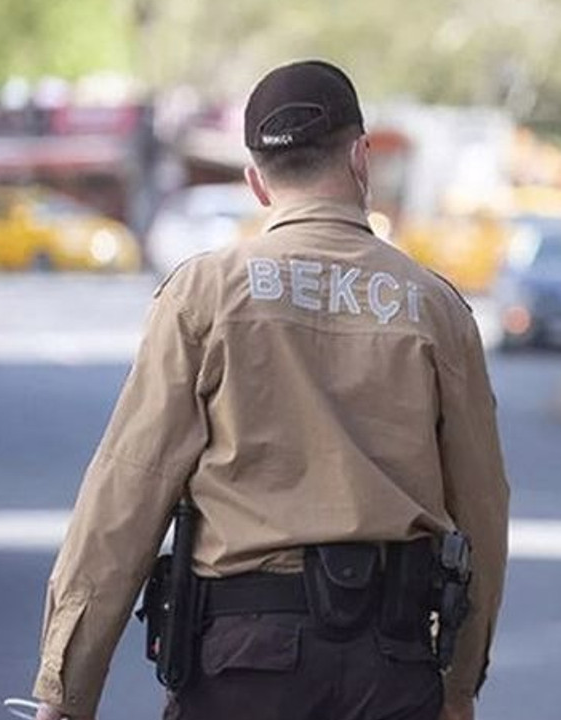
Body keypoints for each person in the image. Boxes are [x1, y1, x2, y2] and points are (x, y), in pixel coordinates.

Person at [31, 60, 509, 720]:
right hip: (391, 666)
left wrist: (66, 688)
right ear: (361, 158)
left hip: (242, 664)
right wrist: (458, 688)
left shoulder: (203, 297)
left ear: (257, 182)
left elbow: (127, 492)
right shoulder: (435, 309)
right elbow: (482, 506)